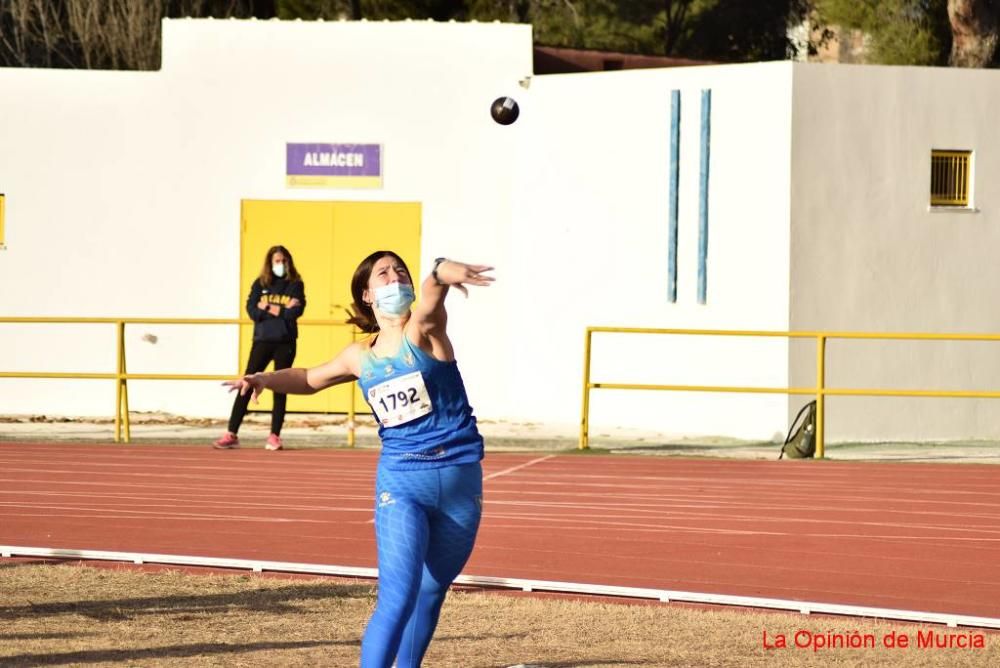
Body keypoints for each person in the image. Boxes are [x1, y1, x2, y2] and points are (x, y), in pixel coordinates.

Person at [223, 251, 493, 667]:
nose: (395, 277)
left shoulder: (424, 332)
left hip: (460, 484)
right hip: (403, 483)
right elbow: (310, 378)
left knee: (431, 591)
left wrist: (438, 273)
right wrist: (263, 378)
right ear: (368, 295)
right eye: (384, 274)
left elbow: (430, 302)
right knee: (398, 595)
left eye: (400, 270)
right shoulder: (359, 356)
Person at [215, 245, 305, 451]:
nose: (280, 265)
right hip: (262, 340)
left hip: (285, 342)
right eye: (276, 261)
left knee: (281, 387)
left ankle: (274, 435)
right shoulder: (261, 283)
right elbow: (252, 311)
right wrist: (278, 309)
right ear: (269, 263)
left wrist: (266, 308)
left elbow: (294, 313)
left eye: (283, 261)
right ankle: (231, 433)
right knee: (246, 383)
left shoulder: (295, 285)